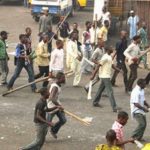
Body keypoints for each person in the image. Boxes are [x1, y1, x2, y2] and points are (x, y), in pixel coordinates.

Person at [91, 46, 120, 112]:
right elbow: (98, 65)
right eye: (111, 48)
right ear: (108, 50)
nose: (113, 49)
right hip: (105, 76)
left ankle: (95, 102)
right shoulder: (105, 57)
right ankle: (114, 107)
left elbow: (112, 65)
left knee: (100, 90)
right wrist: (93, 75)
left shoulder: (109, 57)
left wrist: (118, 70)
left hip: (106, 76)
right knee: (110, 92)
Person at [47, 72, 67, 139]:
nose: (64, 79)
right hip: (51, 107)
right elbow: (52, 98)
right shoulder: (55, 87)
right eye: (63, 78)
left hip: (56, 105)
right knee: (47, 123)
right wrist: (59, 106)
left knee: (63, 120)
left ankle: (53, 130)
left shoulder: (57, 84)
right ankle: (41, 137)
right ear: (59, 79)